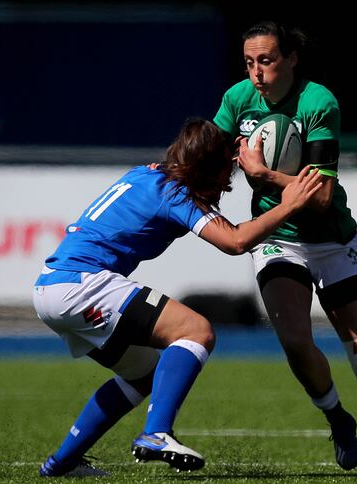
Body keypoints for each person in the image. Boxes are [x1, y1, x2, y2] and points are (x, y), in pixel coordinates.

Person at [33, 118, 323, 477]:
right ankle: (156, 434)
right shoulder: (175, 192)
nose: (223, 188)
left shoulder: (148, 175)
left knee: (142, 376)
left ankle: (62, 463)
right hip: (82, 284)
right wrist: (289, 206)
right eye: (222, 178)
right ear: (204, 170)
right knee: (196, 331)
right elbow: (235, 242)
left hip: (50, 289)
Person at [213, 21, 357, 476]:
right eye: (250, 62)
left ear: (291, 59)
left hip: (332, 241)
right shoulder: (237, 99)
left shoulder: (318, 102)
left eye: (267, 61)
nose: (257, 73)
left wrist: (264, 175)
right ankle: (338, 419)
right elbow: (209, 154)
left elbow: (321, 194)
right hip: (278, 239)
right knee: (294, 340)